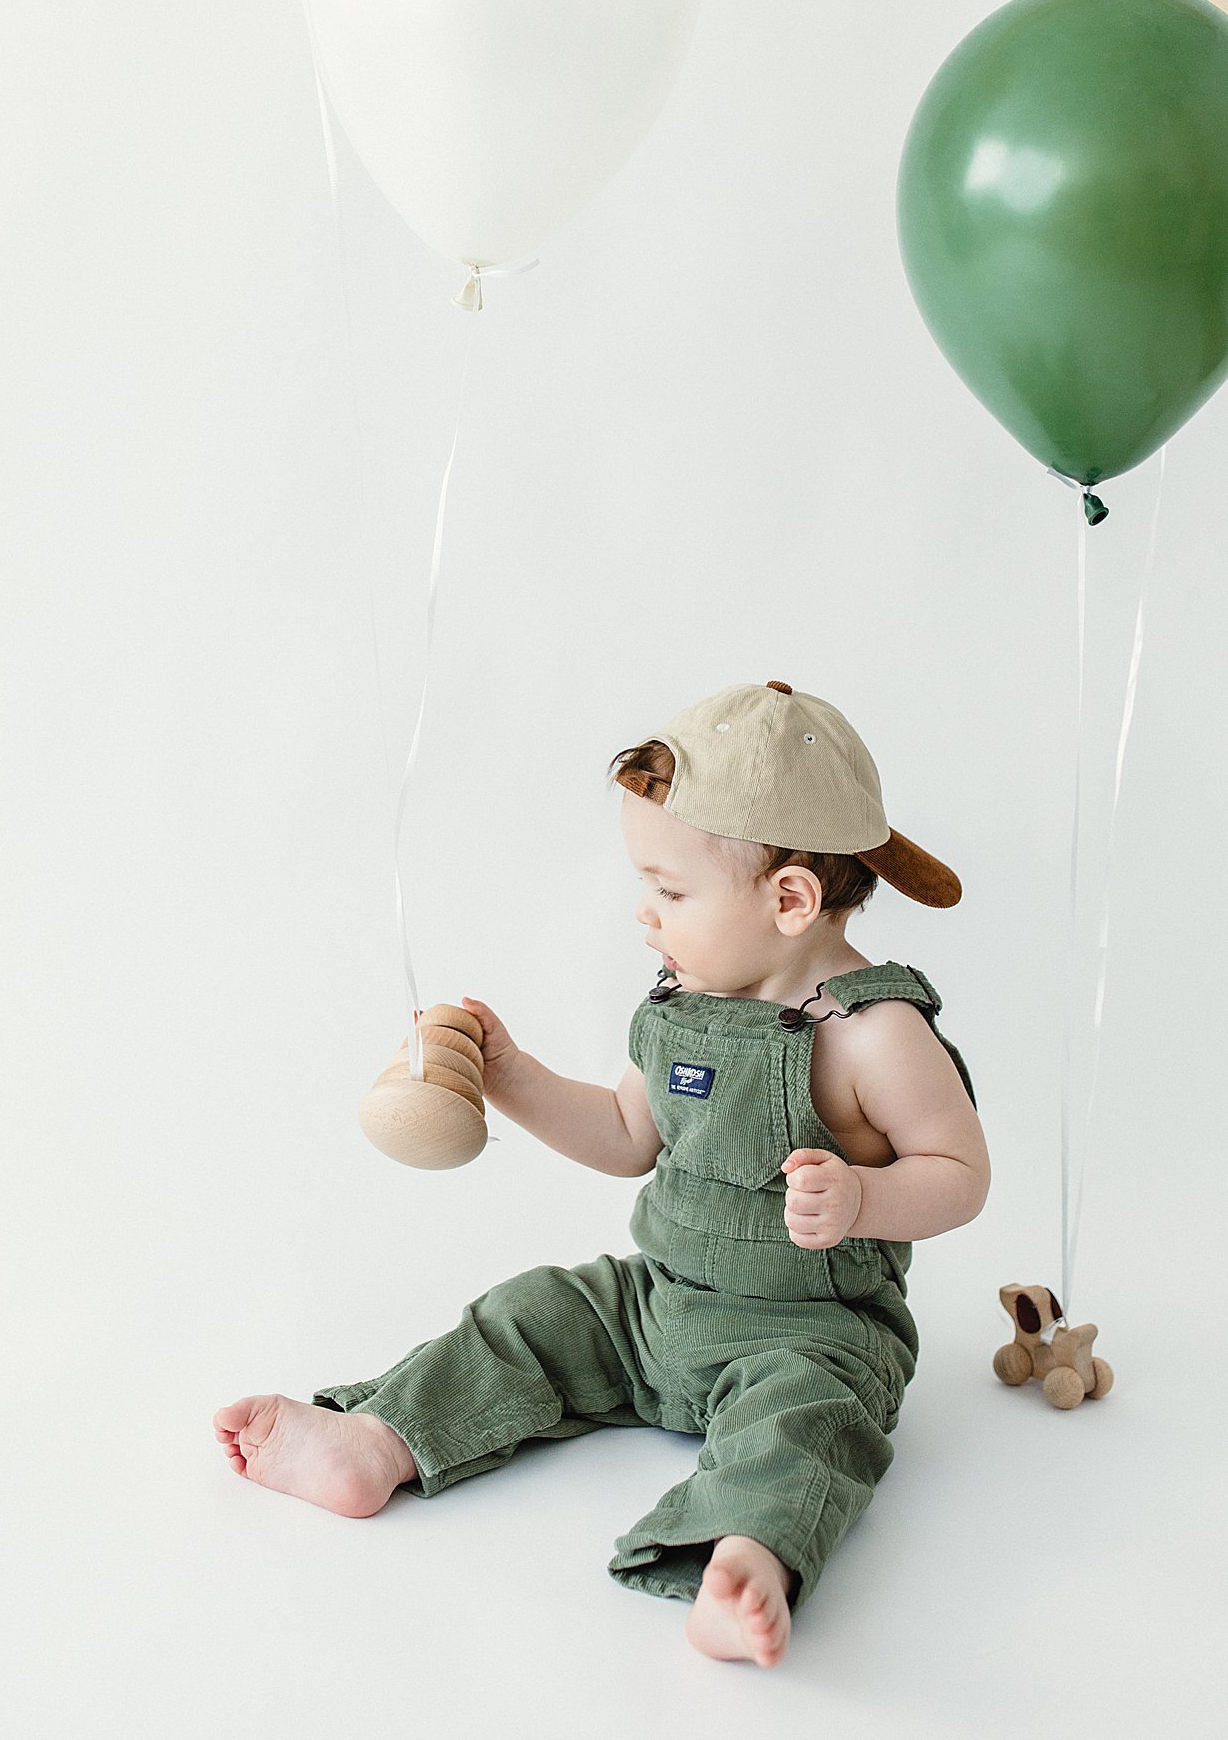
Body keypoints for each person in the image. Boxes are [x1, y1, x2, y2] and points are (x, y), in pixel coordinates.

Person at [213, 678, 989, 1669]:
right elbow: (629, 1132)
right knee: (531, 1313)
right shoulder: (679, 1001)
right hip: (656, 1305)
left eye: (670, 888)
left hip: (816, 1333)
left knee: (803, 1430)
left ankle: (744, 1557)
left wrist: (868, 1196)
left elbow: (960, 1172)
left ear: (790, 898)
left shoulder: (877, 1033)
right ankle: (379, 1440)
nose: (643, 910)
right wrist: (512, 1076)